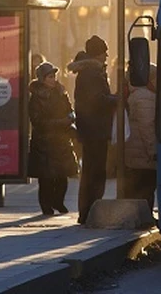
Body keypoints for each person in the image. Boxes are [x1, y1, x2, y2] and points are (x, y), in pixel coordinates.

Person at [69, 36, 117, 225]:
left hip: (91, 129)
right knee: (95, 172)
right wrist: (116, 99)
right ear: (97, 54)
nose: (106, 55)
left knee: (92, 171)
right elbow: (97, 100)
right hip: (95, 129)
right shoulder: (91, 74)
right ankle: (90, 211)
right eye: (103, 52)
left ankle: (88, 210)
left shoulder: (89, 72)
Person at [28, 61, 78, 215]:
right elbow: (37, 121)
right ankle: (46, 205)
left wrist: (71, 118)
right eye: (50, 76)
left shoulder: (61, 92)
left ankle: (58, 201)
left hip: (62, 140)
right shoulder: (36, 98)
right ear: (42, 79)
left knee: (63, 176)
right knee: (46, 178)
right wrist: (60, 122)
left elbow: (70, 110)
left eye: (54, 76)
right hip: (44, 142)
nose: (53, 79)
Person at [123, 63, 158, 214]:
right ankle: (143, 217)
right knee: (146, 188)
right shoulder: (145, 97)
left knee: (138, 188)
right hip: (143, 154)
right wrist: (153, 151)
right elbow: (147, 128)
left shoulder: (137, 93)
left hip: (136, 152)